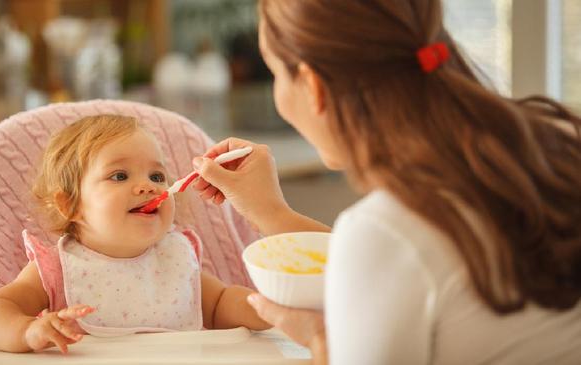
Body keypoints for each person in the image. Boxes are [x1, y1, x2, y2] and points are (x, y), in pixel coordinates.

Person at [191, 0, 581, 364]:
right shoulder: (559, 139)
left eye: (275, 73)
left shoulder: (387, 232)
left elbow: (393, 252)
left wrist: (324, 347)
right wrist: (272, 213)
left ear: (312, 86)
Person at [0, 115, 270, 354]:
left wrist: (268, 308)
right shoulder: (57, 269)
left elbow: (220, 304)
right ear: (71, 205)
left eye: (156, 176)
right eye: (119, 176)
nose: (148, 186)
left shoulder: (175, 259)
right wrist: (27, 331)